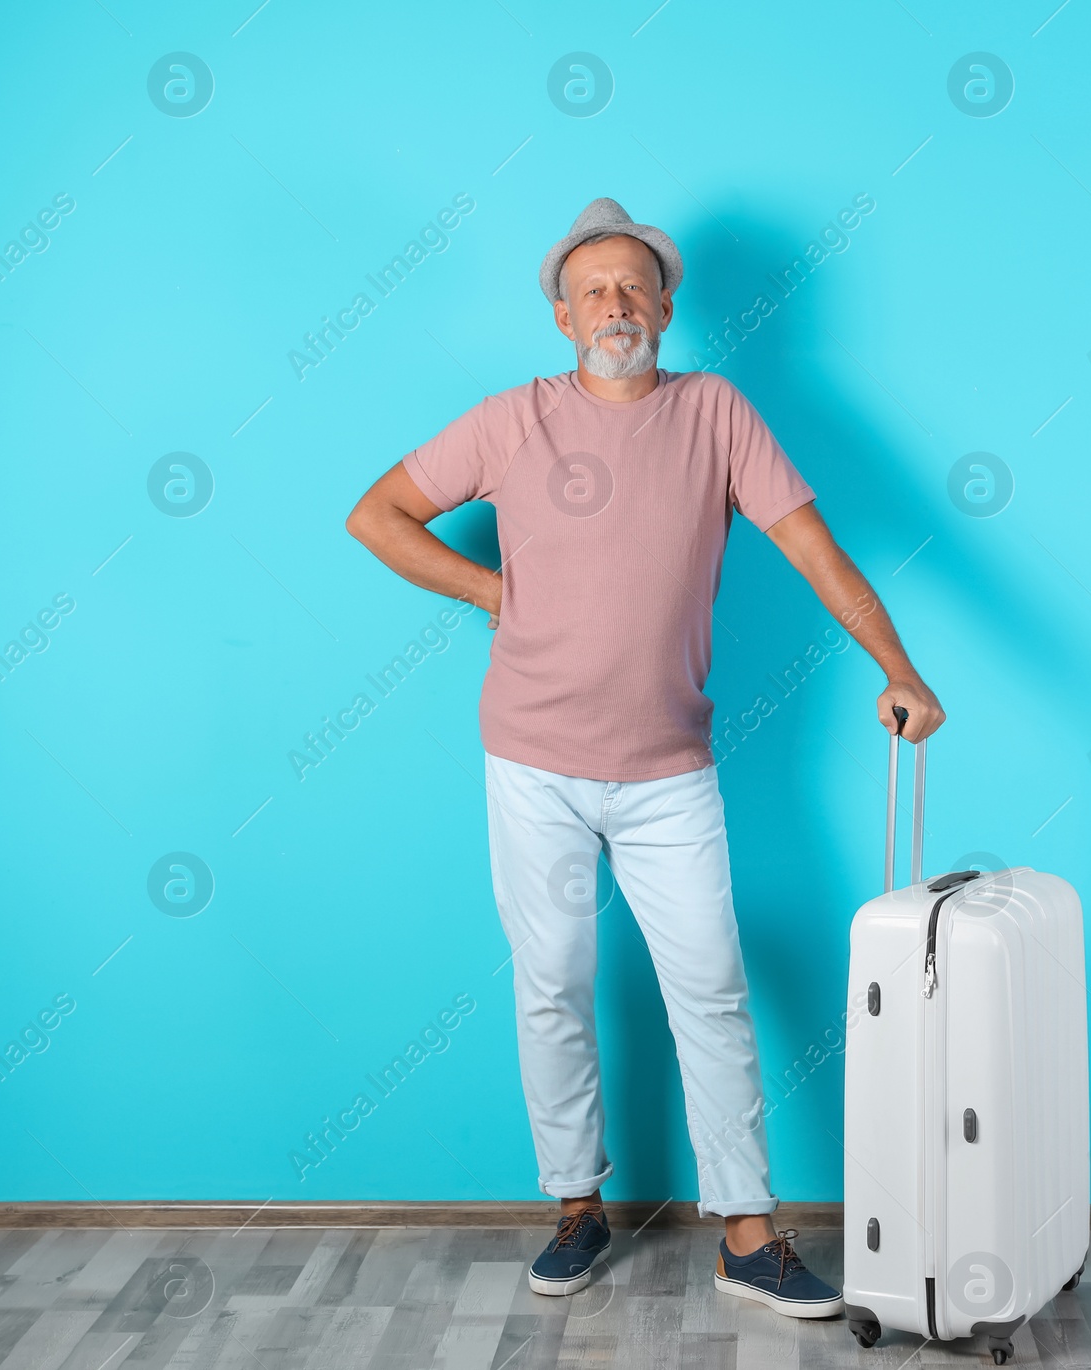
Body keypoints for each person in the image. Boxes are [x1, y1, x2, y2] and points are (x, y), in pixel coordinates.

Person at [346, 197, 944, 1319]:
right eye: (593, 289)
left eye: (634, 285)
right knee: (552, 983)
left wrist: (898, 667)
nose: (614, 304)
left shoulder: (715, 411)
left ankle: (748, 1233)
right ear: (562, 315)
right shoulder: (512, 417)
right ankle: (576, 1204)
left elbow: (818, 551)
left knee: (709, 988)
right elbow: (376, 514)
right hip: (530, 757)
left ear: (667, 305)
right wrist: (493, 590)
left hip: (669, 766)